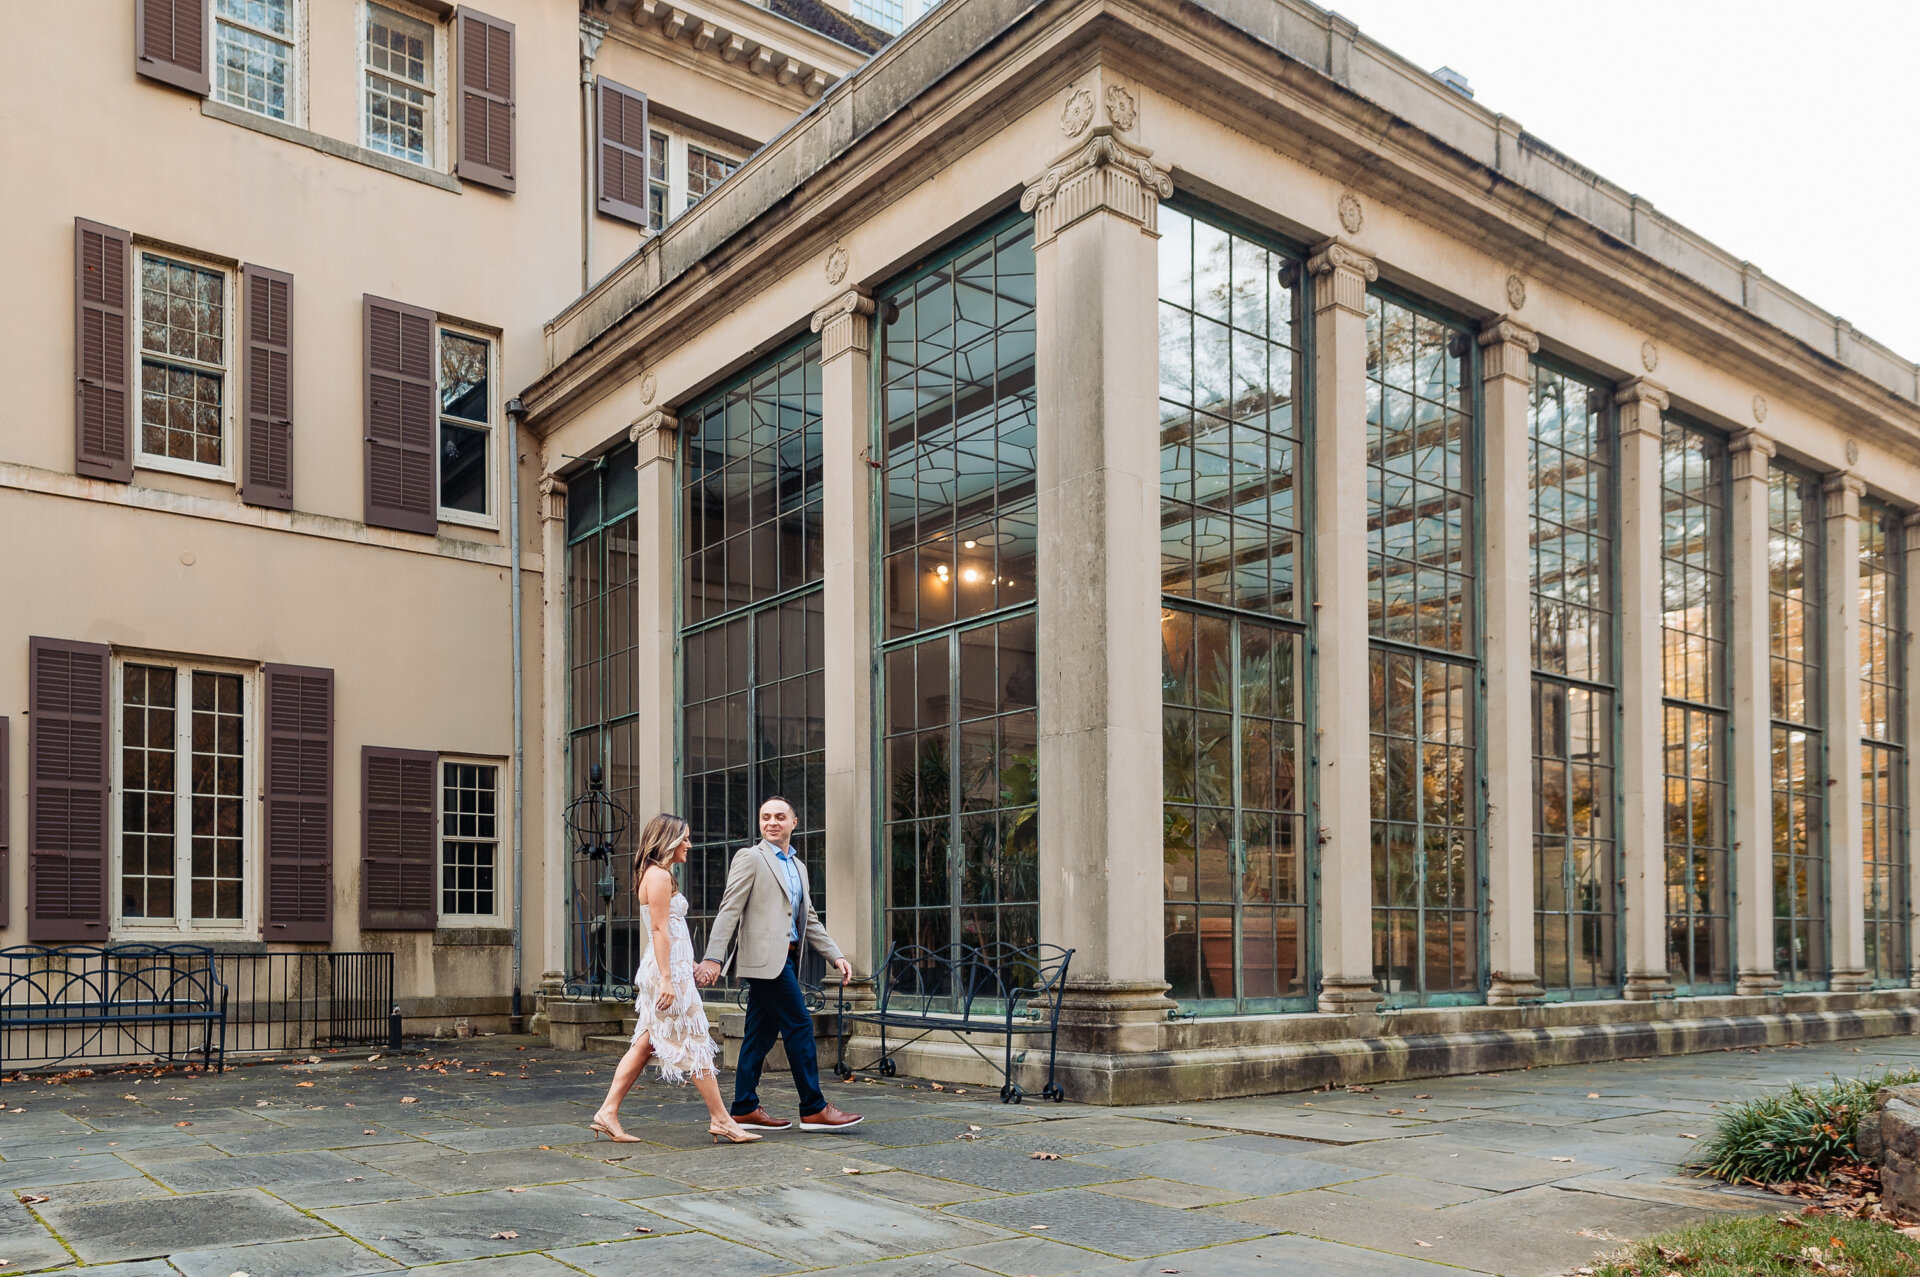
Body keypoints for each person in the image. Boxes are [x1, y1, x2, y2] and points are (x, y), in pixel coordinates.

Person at [692, 796, 863, 1131]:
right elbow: (730, 909)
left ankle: (743, 1106)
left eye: (779, 817)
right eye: (765, 817)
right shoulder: (750, 858)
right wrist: (714, 957)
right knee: (799, 1025)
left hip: (787, 958)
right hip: (762, 960)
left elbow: (808, 918)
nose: (771, 822)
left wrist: (836, 955)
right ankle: (813, 1108)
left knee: (759, 1034)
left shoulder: (798, 867)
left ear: (793, 823)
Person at [591, 813, 760, 1146]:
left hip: (674, 968)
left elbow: (673, 930)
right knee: (695, 1040)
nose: (689, 844)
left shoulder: (660, 875)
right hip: (667, 973)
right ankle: (722, 1120)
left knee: (646, 1043)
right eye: (684, 838)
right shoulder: (658, 876)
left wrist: (690, 962)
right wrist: (669, 979)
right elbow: (658, 929)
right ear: (667, 840)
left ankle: (607, 1113)